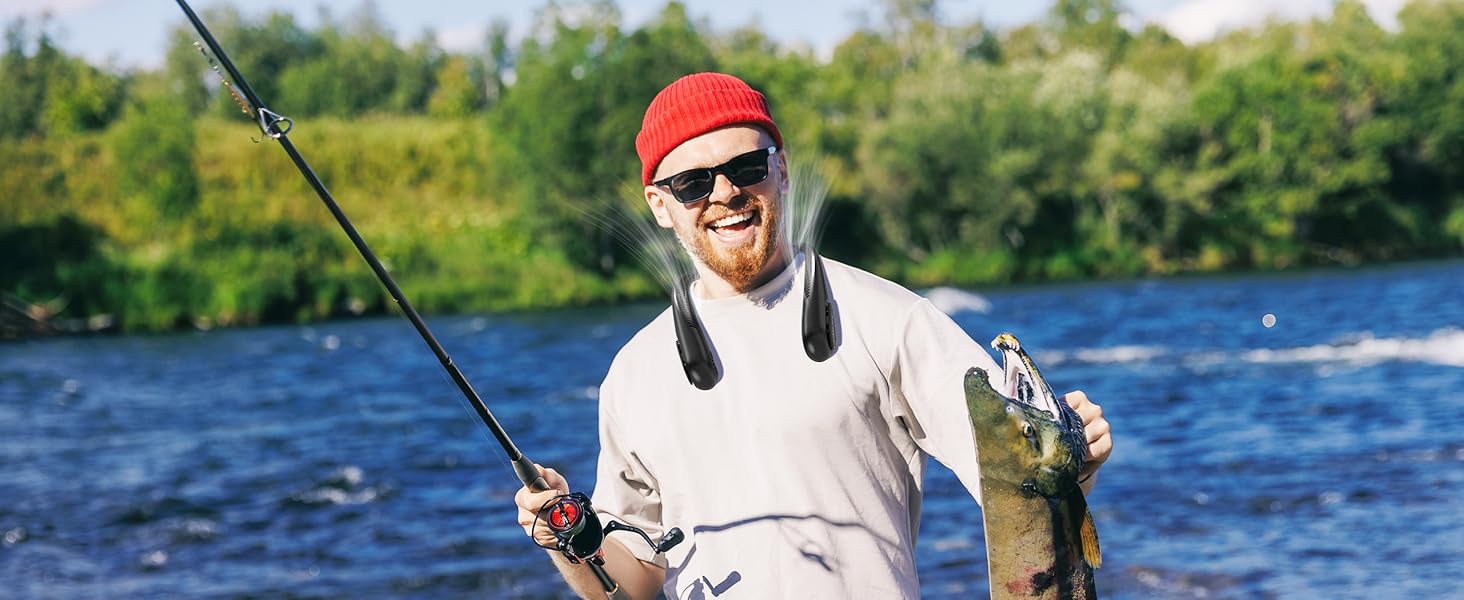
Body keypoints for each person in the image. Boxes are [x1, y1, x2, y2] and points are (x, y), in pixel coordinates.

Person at [514, 72, 1114, 599]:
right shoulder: (634, 373)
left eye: (746, 168)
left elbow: (1020, 474)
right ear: (660, 205)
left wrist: (1075, 454)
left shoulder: (890, 318)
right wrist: (570, 540)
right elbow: (634, 584)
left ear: (781, 169)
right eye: (694, 183)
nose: (724, 194)